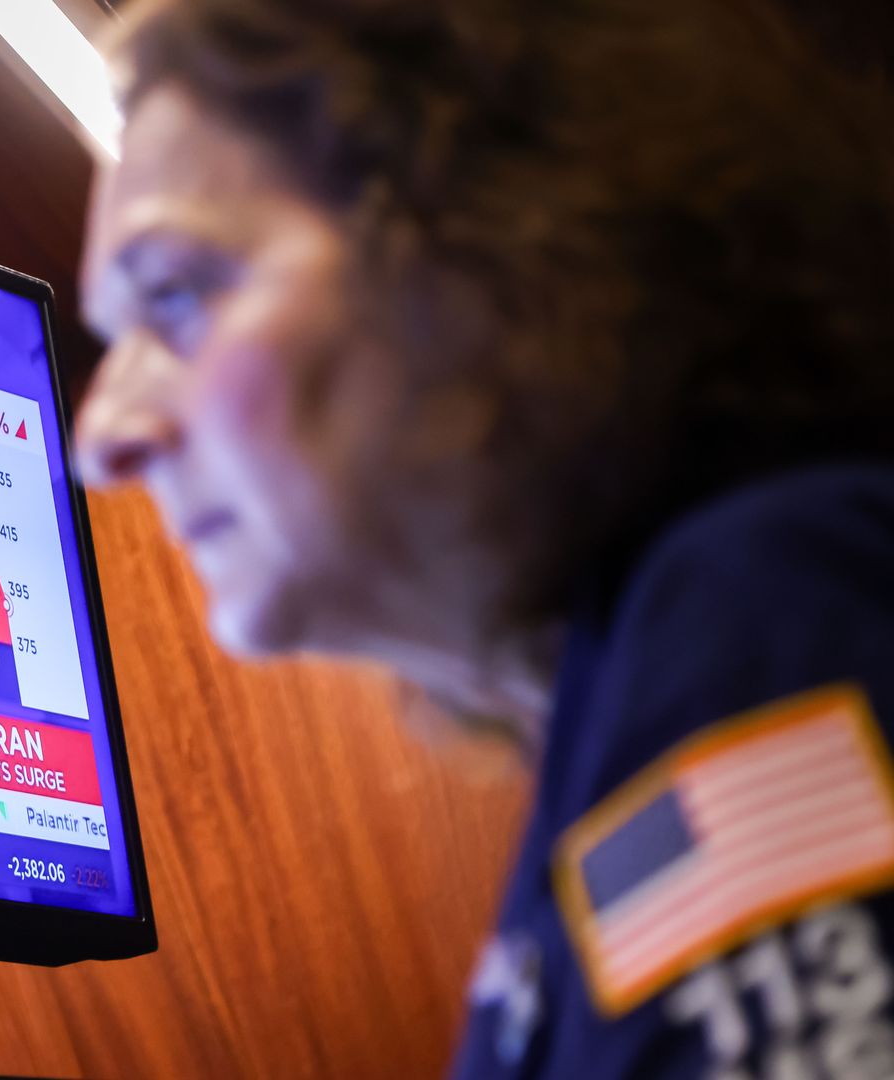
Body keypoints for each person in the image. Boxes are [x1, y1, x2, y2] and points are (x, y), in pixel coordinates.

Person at [74, 0, 894, 1076]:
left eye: (176, 292)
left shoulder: (765, 603)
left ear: (496, 230)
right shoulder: (635, 687)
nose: (102, 438)